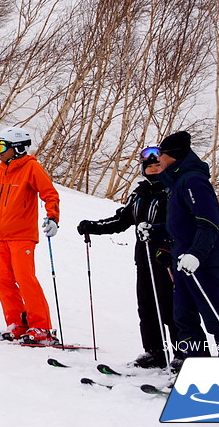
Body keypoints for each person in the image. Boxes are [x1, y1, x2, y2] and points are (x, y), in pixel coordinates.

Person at [157, 131, 219, 388]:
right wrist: (156, 230)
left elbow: (208, 223)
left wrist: (196, 254)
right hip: (184, 261)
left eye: (160, 154)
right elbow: (180, 225)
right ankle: (199, 371)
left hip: (203, 261)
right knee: (184, 318)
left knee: (214, 316)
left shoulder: (193, 181)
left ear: (171, 156)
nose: (158, 160)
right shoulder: (178, 183)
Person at [77, 146, 181, 368]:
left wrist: (160, 233)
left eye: (157, 166)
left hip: (167, 258)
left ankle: (181, 354)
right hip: (143, 259)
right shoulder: (139, 194)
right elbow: (122, 220)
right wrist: (93, 227)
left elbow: (179, 224)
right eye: (149, 167)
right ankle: (154, 352)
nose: (153, 170)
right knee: (146, 306)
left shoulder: (172, 191)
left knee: (171, 307)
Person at [0, 126, 60, 344]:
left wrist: (53, 218)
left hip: (22, 235)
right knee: (3, 281)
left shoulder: (31, 168)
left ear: (17, 148)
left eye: (1, 146)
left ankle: (41, 327)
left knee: (25, 279)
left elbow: (50, 194)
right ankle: (17, 323)